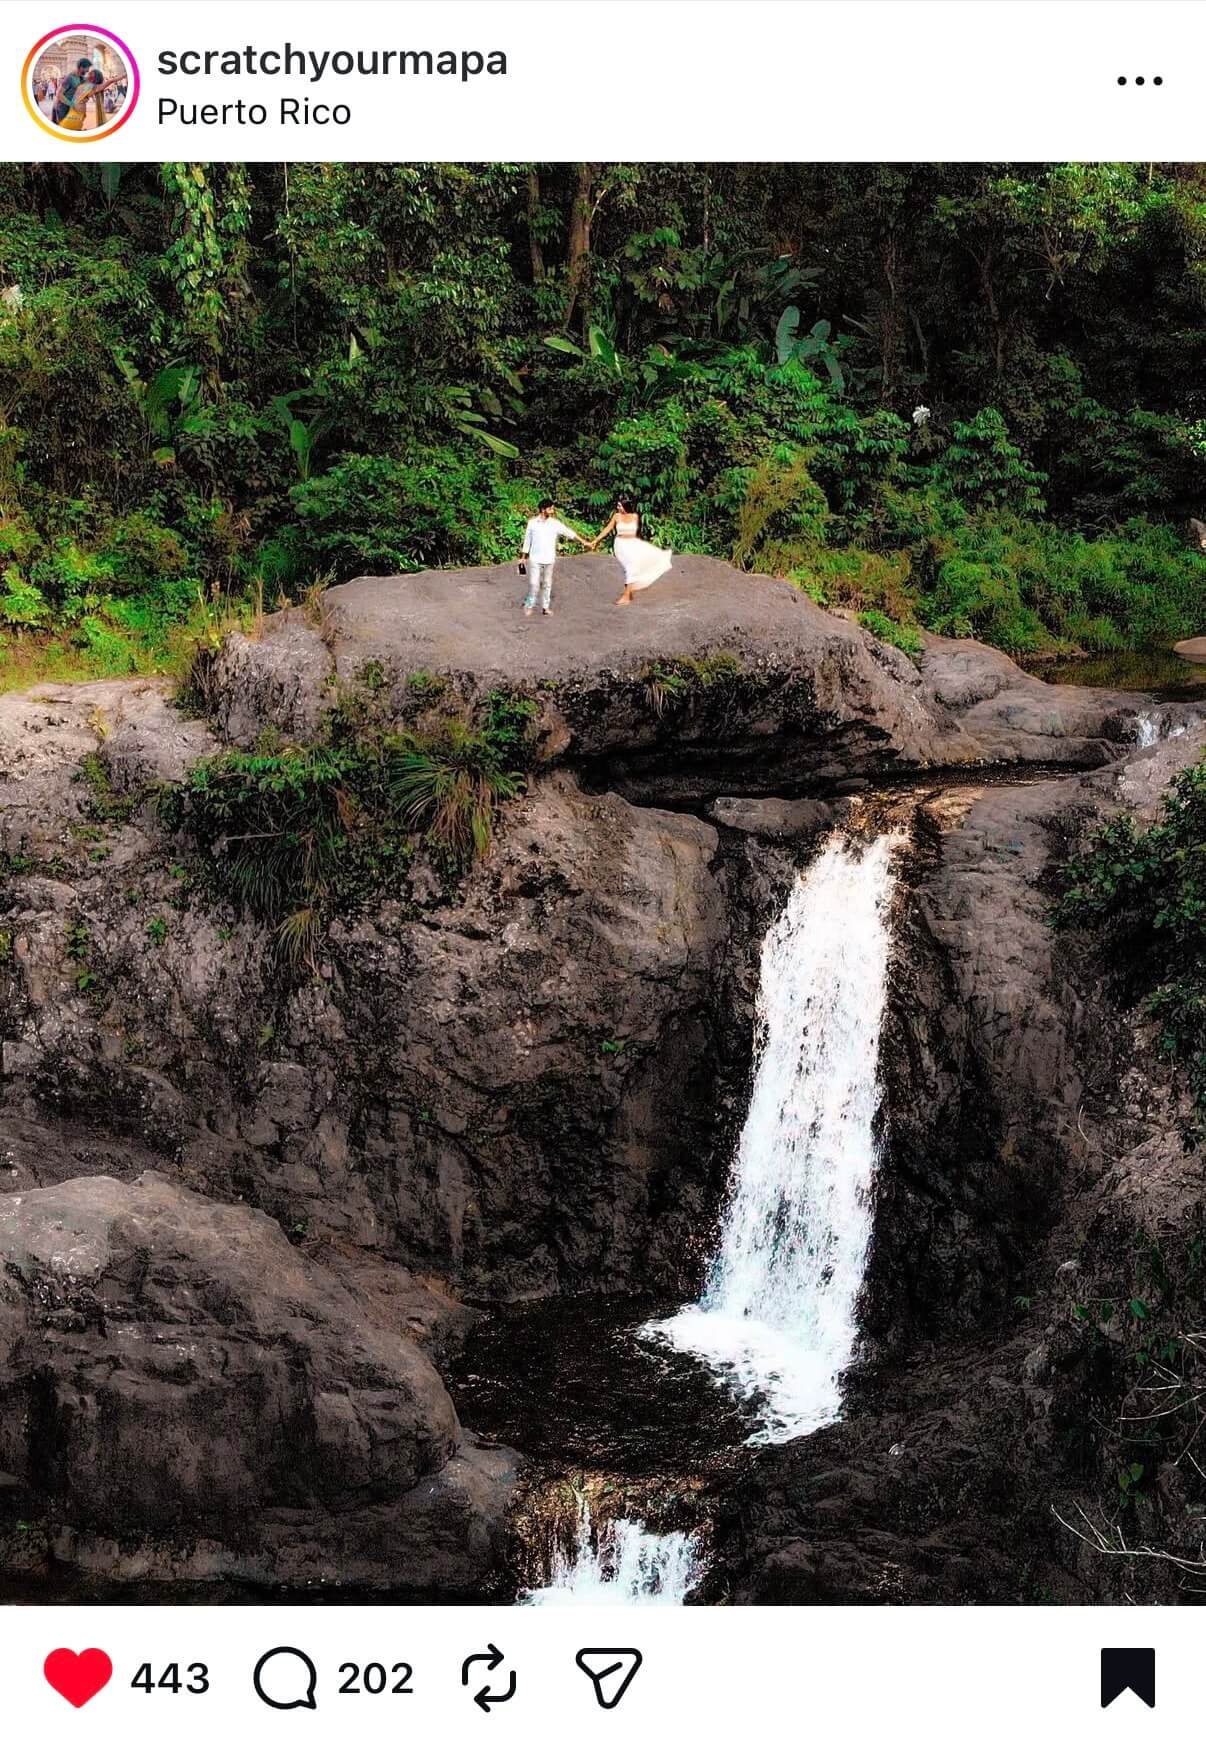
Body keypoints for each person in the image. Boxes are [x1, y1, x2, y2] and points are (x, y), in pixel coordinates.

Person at [589, 497, 673, 606]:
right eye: (618, 505)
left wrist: (639, 545)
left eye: (619, 506)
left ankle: (627, 595)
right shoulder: (616, 516)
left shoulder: (635, 516)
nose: (618, 507)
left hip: (633, 544)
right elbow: (607, 529)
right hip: (620, 544)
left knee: (635, 565)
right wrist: (596, 541)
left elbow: (637, 533)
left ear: (625, 506)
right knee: (628, 567)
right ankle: (627, 594)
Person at [519, 498, 585, 617]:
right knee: (534, 584)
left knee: (547, 583)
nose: (552, 510)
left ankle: (545, 607)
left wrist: (584, 542)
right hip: (535, 558)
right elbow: (527, 541)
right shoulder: (532, 523)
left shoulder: (555, 524)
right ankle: (529, 605)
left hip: (549, 558)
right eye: (550, 508)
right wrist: (523, 557)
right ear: (543, 510)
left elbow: (568, 532)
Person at [51, 58, 92, 124]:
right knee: (64, 127)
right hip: (63, 107)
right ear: (81, 67)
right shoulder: (69, 78)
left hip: (72, 107)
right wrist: (71, 104)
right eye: (87, 68)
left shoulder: (81, 78)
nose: (88, 70)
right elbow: (58, 94)